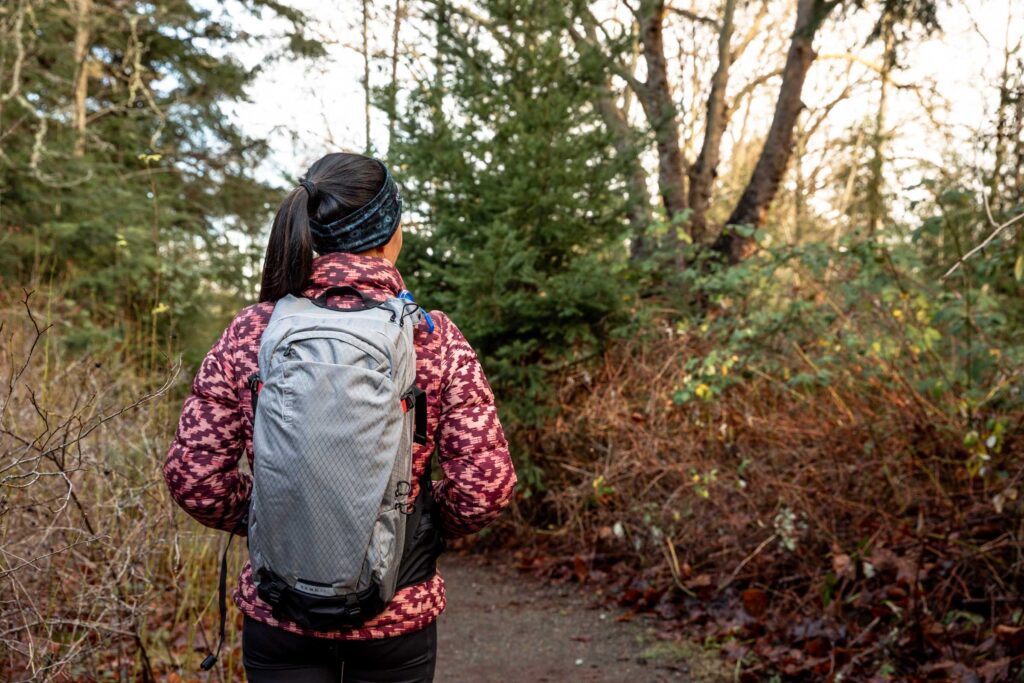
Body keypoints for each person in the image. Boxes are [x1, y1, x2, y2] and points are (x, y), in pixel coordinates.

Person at [163, 152, 517, 682]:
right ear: (391, 230)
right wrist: (415, 525)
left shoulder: (252, 331)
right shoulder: (433, 337)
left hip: (278, 613)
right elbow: (485, 489)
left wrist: (271, 516)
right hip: (396, 615)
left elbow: (193, 477)